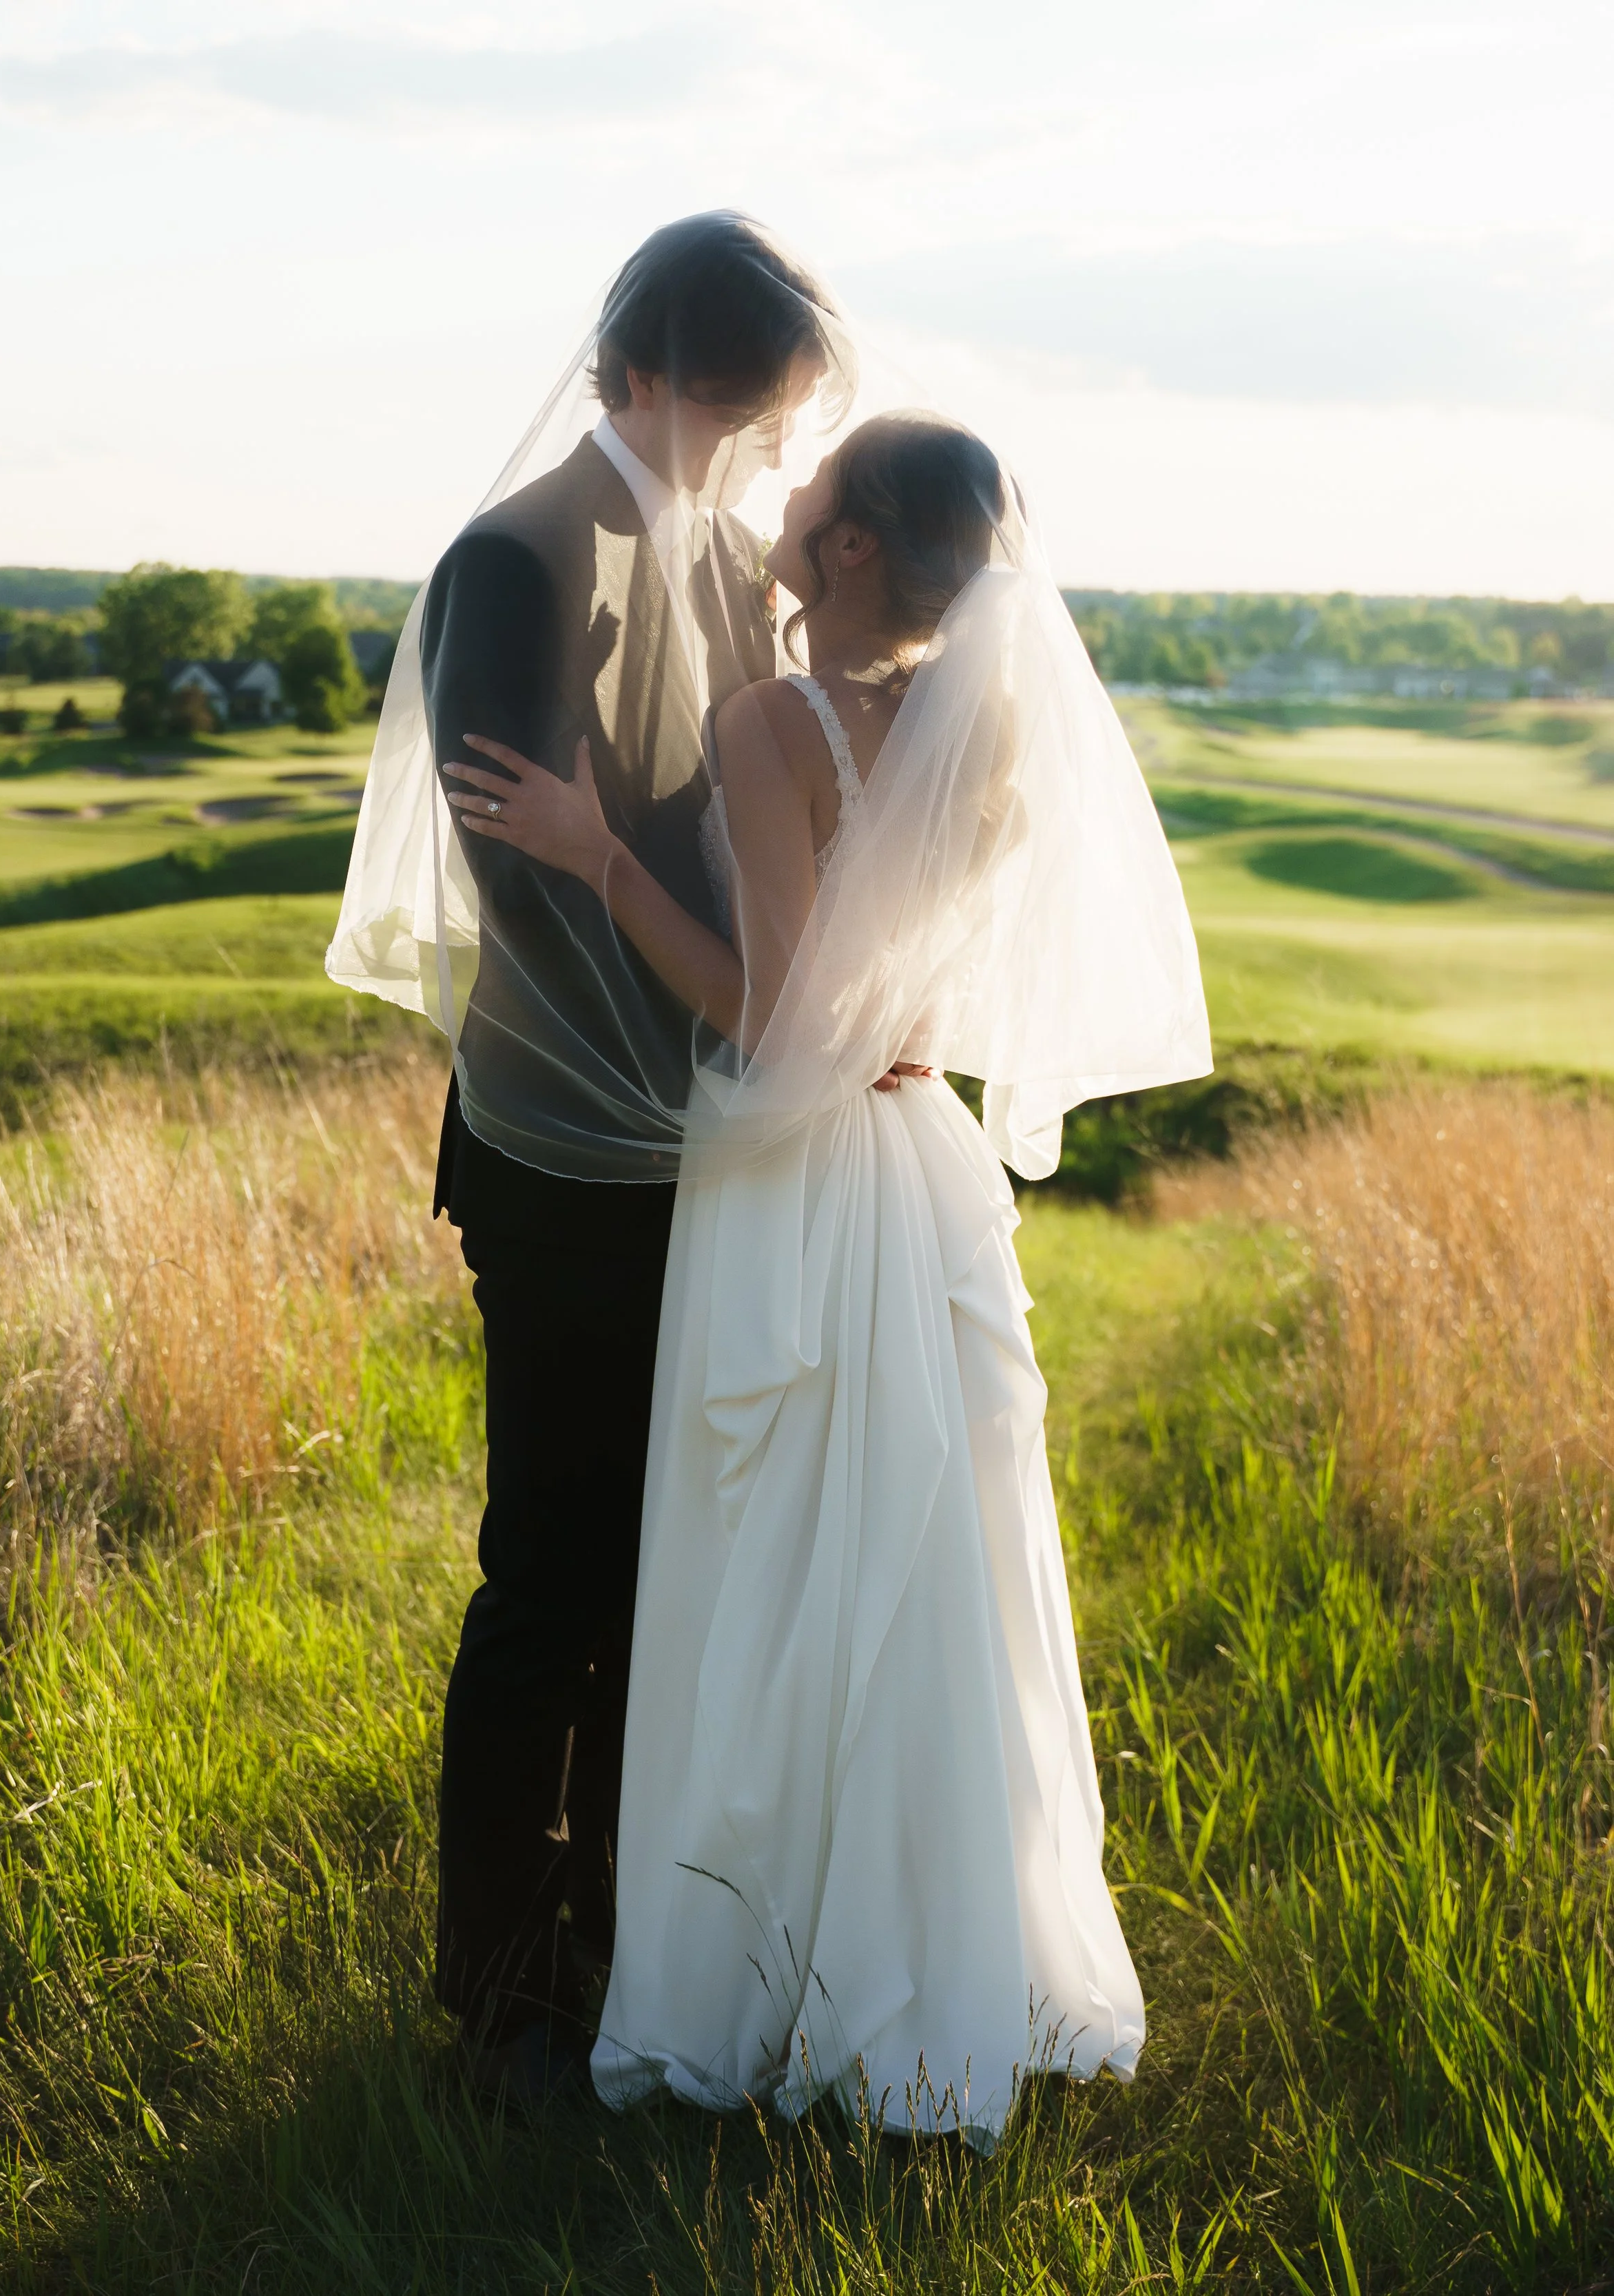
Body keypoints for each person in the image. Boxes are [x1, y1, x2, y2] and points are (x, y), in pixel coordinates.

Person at [446, 409, 1212, 2145]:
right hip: (923, 1162)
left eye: (817, 484)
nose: (786, 495)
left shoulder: (770, 722)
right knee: (920, 1571)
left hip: (795, 1177)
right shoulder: (991, 735)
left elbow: (777, 1019)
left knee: (771, 1571)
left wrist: (594, 850)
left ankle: (759, 1974)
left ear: (853, 544)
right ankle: (933, 1949)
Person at [416, 216, 841, 2098]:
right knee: (553, 1577)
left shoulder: (734, 559)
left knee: (668, 1586)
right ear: (643, 376)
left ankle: (615, 1954)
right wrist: (701, 926)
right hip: (565, 1151)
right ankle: (499, 1990)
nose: (749, 456)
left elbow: (756, 802)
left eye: (772, 429)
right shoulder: (510, 561)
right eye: (735, 417)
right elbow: (517, 857)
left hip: (716, 1147)